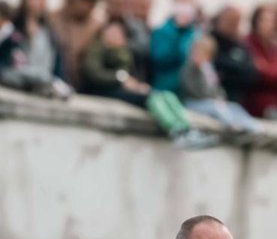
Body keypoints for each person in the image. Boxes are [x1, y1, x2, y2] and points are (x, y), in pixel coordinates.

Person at [80, 19, 216, 150]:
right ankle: (175, 130)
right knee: (151, 99)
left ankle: (185, 128)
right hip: (106, 90)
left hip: (123, 87)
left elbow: (132, 74)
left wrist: (137, 85)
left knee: (165, 95)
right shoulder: (97, 49)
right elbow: (95, 73)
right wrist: (121, 79)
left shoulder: (124, 53)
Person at [177, 34, 261, 134]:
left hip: (210, 101)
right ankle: (233, 129)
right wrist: (213, 99)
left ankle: (253, 128)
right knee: (217, 109)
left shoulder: (208, 69)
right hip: (194, 102)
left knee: (234, 106)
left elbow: (216, 87)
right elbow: (195, 91)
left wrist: (220, 97)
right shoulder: (189, 69)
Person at [6, 0, 74, 100]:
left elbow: (56, 64)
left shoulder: (49, 31)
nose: (37, 2)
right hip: (16, 83)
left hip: (43, 87)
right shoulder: (13, 26)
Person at [48, 0, 104, 90]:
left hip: (82, 84)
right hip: (54, 78)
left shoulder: (96, 26)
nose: (87, 7)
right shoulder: (52, 18)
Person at [148, 0, 196, 93]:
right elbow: (160, 60)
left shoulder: (195, 33)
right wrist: (179, 32)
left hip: (189, 91)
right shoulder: (161, 31)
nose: (184, 4)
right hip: (165, 89)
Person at [209, 5, 256, 106]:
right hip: (211, 99)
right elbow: (212, 63)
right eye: (229, 20)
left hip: (235, 101)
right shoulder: (209, 40)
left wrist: (225, 74)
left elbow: (250, 74)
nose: (232, 24)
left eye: (236, 21)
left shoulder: (240, 45)